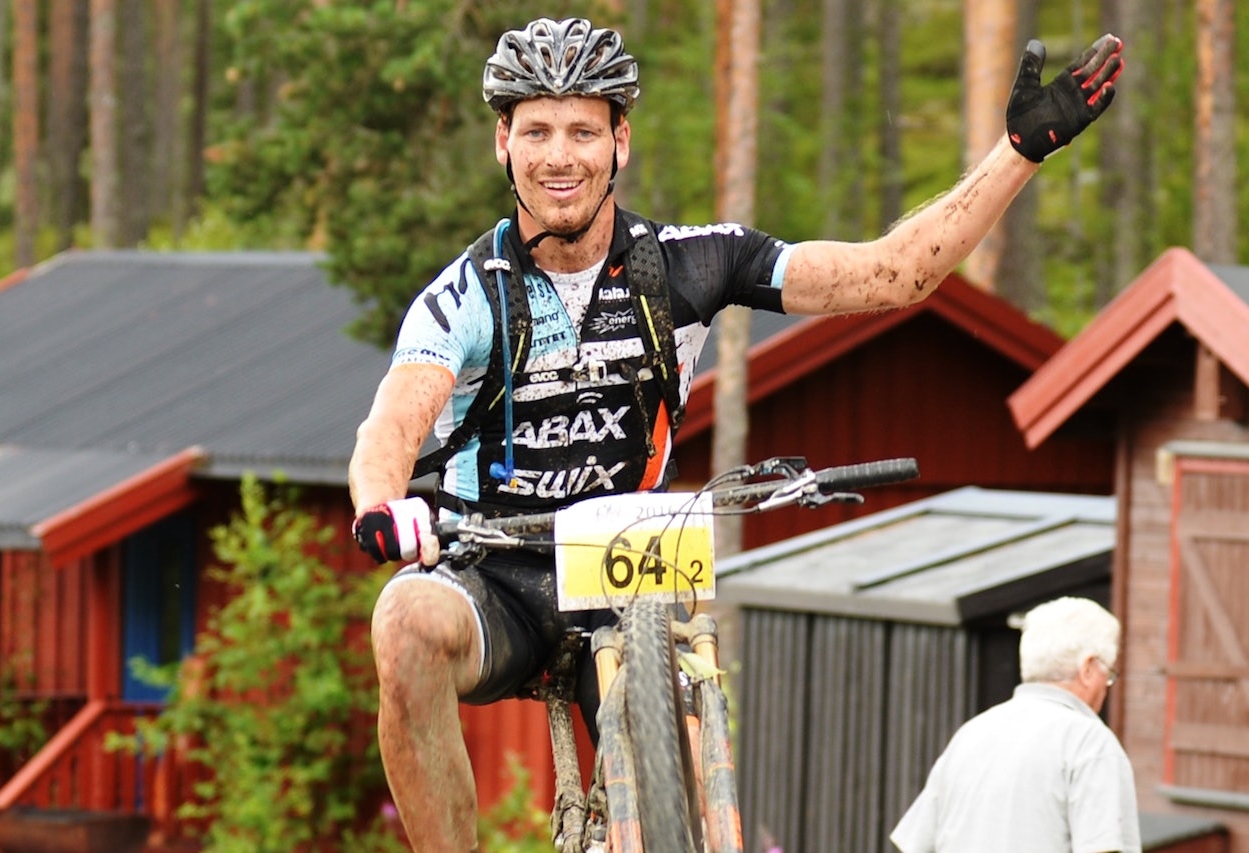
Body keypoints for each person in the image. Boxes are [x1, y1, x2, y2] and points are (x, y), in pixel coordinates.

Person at [348, 17, 1125, 851]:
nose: (558, 156)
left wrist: (1019, 152)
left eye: (582, 130)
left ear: (621, 141)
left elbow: (894, 272)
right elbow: (394, 418)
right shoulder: (468, 294)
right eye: (536, 131)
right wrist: (383, 504)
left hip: (626, 568)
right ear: (503, 143)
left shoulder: (694, 262)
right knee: (403, 621)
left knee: (678, 771)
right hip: (495, 570)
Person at [890, 596, 1142, 853]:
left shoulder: (972, 734)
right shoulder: (1089, 742)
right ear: (1088, 668)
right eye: (1108, 675)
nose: (1106, 687)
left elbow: (915, 844)